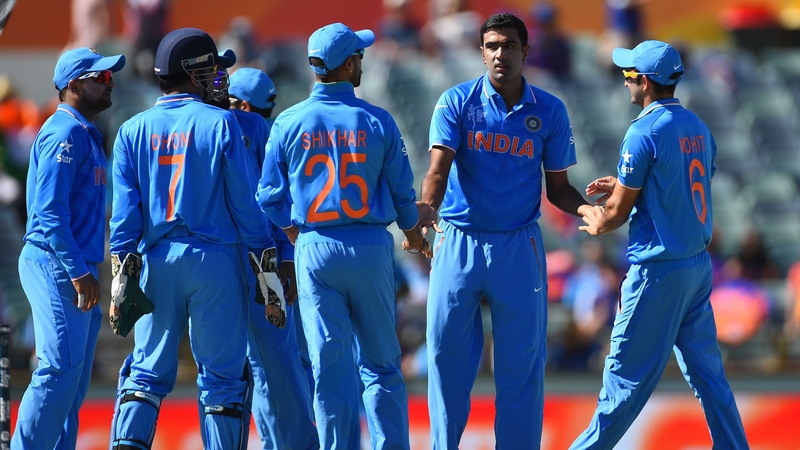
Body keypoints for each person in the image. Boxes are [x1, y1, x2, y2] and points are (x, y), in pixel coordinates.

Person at [417, 12, 592, 449]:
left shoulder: (549, 109)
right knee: (445, 358)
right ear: (481, 52)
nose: (500, 54)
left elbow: (559, 188)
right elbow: (437, 171)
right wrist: (425, 211)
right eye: (492, 46)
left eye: (509, 45)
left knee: (522, 366)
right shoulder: (456, 101)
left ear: (525, 51)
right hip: (458, 239)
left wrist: (590, 211)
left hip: (518, 244)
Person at [572, 40, 750, 449]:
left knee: (623, 383)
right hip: (695, 267)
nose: (625, 81)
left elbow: (614, 215)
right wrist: (624, 184)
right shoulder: (697, 126)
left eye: (629, 74)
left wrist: (599, 220)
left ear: (645, 82)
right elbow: (681, 184)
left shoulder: (643, 131)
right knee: (710, 378)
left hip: (657, 272)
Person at [257, 22, 427, 450]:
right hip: (369, 247)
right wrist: (413, 235)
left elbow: (268, 198)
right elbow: (403, 193)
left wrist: (297, 233)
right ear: (349, 63)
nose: (362, 64)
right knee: (382, 365)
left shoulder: (288, 121)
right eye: (360, 58)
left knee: (329, 367)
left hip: (315, 246)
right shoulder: (377, 120)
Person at [108, 28, 270, 449]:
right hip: (216, 262)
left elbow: (124, 219)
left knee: (145, 374)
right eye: (213, 68)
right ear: (193, 72)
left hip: (156, 261)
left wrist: (121, 276)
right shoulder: (222, 122)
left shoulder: (131, 130)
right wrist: (266, 267)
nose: (219, 76)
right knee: (222, 381)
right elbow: (247, 208)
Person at [12, 47, 125, 449]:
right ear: (74, 86)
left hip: (75, 265)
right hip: (56, 262)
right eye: (101, 78)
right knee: (59, 370)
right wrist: (79, 272)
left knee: (73, 382)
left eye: (109, 77)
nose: (109, 83)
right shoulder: (66, 132)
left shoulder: (85, 134)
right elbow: (49, 213)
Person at [227, 66, 319, 450]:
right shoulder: (276, 131)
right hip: (277, 260)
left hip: (245, 262)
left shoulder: (236, 128)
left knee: (264, 366)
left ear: (243, 104)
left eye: (232, 100)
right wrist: (286, 257)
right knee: (283, 362)